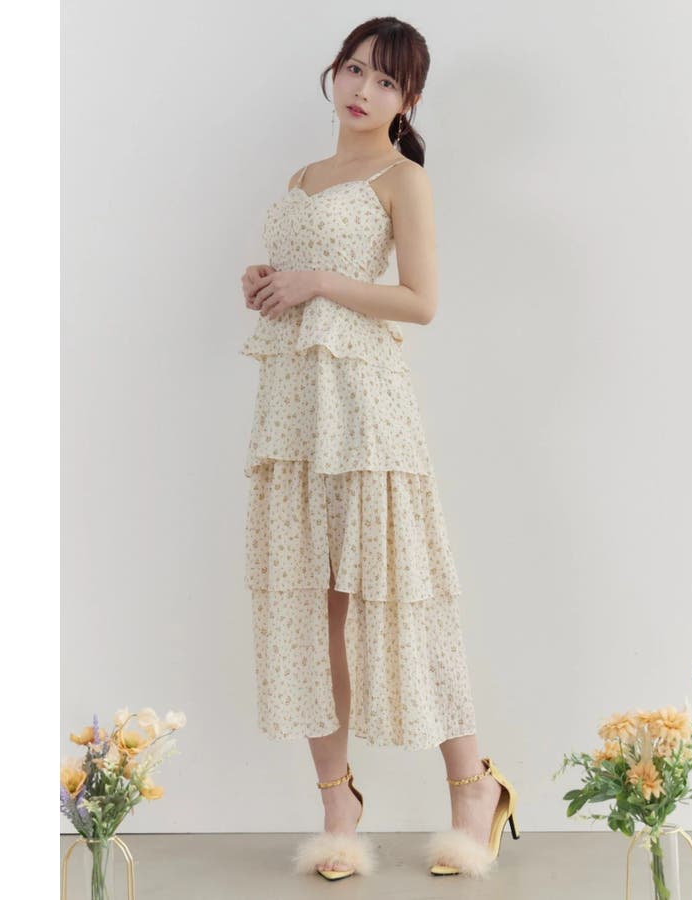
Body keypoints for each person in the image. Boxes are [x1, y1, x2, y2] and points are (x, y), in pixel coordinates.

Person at [240, 16, 521, 881]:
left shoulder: (403, 178)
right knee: (309, 609)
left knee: (407, 596)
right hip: (295, 411)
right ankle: (338, 807)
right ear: (335, 72)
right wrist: (268, 285)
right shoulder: (302, 177)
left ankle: (474, 789)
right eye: (355, 69)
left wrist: (320, 281)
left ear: (410, 100)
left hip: (368, 411)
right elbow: (304, 285)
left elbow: (420, 302)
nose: (363, 89)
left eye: (387, 81)